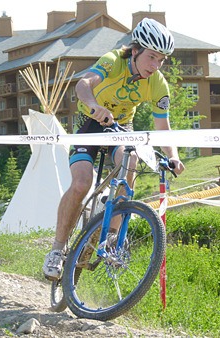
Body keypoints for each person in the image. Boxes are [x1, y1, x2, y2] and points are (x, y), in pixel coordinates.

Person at [42, 18, 185, 281]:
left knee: (129, 162)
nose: (155, 65)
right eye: (151, 57)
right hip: (92, 125)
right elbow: (83, 85)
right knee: (81, 183)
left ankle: (111, 238)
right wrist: (95, 106)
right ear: (135, 51)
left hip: (121, 128)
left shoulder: (158, 84)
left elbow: (163, 126)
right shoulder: (112, 60)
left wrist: (174, 155)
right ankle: (57, 250)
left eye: (161, 60)